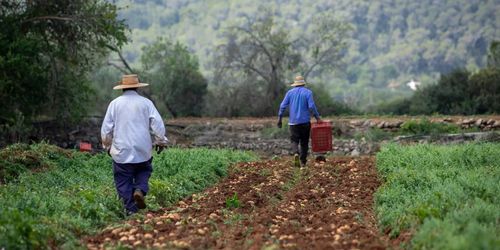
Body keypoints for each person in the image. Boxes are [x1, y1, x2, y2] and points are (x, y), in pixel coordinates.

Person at [101, 74, 168, 215]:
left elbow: (106, 129)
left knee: (123, 181)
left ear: (122, 88)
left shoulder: (114, 104)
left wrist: (107, 146)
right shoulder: (146, 103)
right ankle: (140, 190)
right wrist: (160, 141)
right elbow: (157, 123)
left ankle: (131, 212)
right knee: (144, 170)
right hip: (143, 149)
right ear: (137, 87)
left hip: (121, 150)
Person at [277, 75, 320, 167]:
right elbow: (311, 106)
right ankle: (303, 163)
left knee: (294, 140)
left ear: (295, 84)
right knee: (304, 142)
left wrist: (280, 118)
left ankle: (296, 153)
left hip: (293, 122)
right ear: (303, 84)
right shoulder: (308, 92)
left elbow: (282, 106)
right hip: (305, 122)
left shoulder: (289, 93)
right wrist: (317, 118)